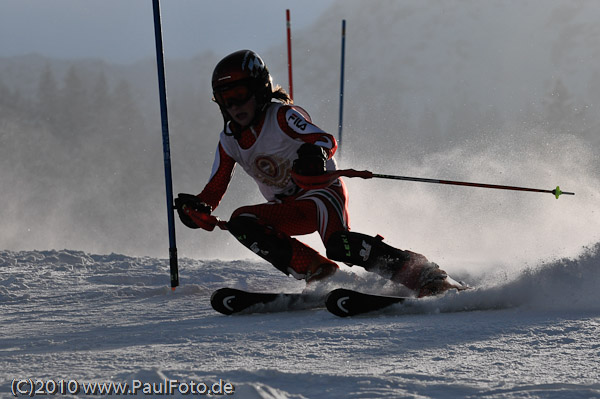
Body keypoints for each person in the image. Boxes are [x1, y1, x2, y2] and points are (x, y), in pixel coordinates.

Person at [175, 49, 454, 297]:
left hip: (321, 195)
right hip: (289, 208)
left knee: (339, 245)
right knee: (241, 221)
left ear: (259, 90)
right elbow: (215, 187)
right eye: (226, 99)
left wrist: (314, 154)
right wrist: (198, 208)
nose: (234, 106)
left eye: (239, 95)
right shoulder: (229, 140)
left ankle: (425, 275)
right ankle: (317, 271)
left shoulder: (282, 117)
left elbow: (324, 139)